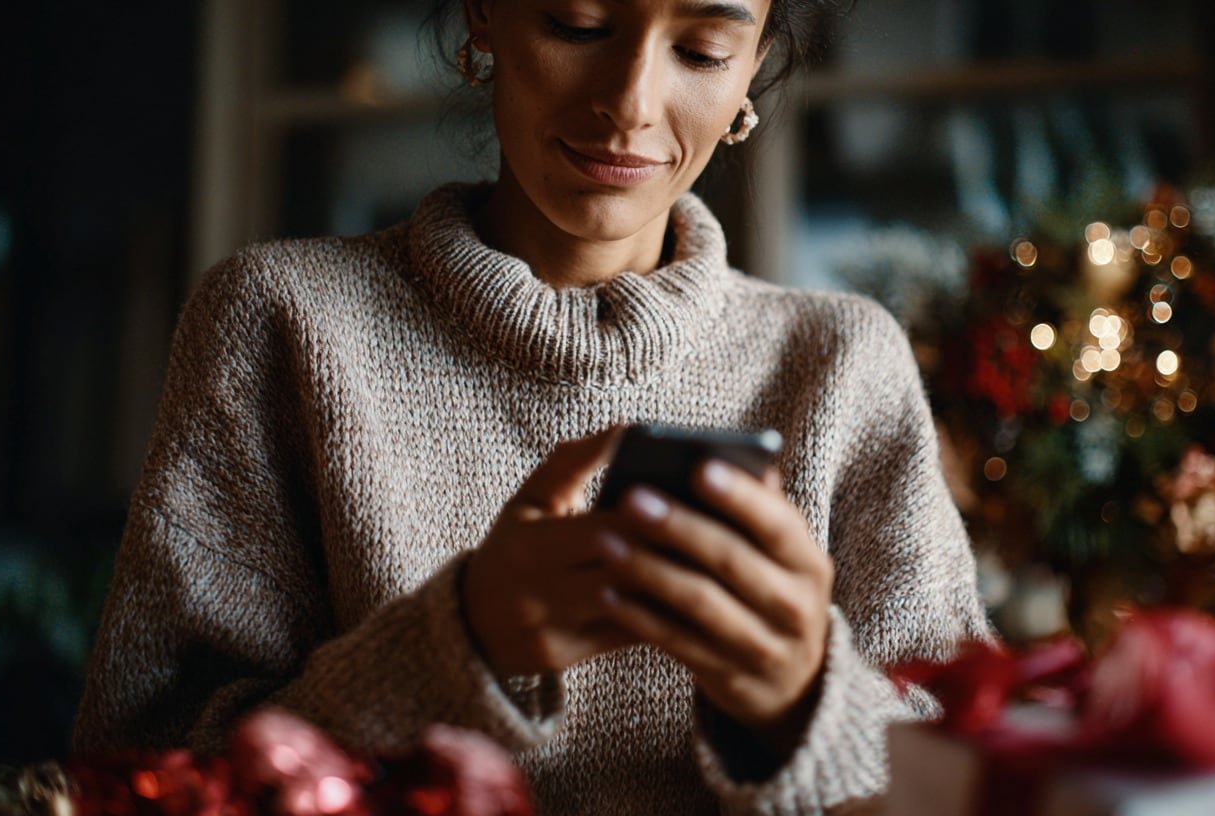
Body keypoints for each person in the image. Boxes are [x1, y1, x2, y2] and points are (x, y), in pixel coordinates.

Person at [74, 0, 991, 811]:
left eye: (704, 50)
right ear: (484, 16)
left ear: (755, 65)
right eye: (578, 25)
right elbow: (140, 774)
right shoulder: (282, 323)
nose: (630, 103)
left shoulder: (840, 363)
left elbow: (970, 774)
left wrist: (802, 704)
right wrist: (455, 646)